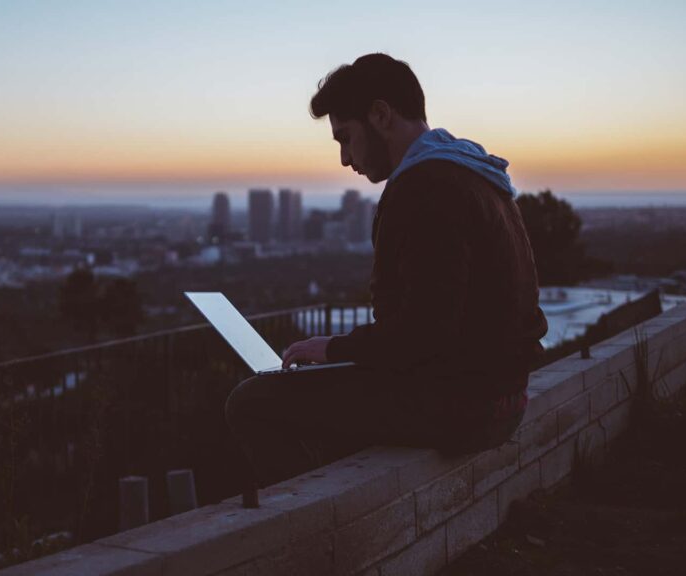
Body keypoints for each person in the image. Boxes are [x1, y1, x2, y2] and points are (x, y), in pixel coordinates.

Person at [224, 53, 549, 488]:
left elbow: (424, 333)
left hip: (463, 408)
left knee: (251, 402)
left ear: (380, 115)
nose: (344, 158)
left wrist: (334, 350)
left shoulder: (424, 188)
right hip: (504, 400)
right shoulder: (475, 174)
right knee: (326, 394)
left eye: (346, 138)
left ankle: (317, 525)